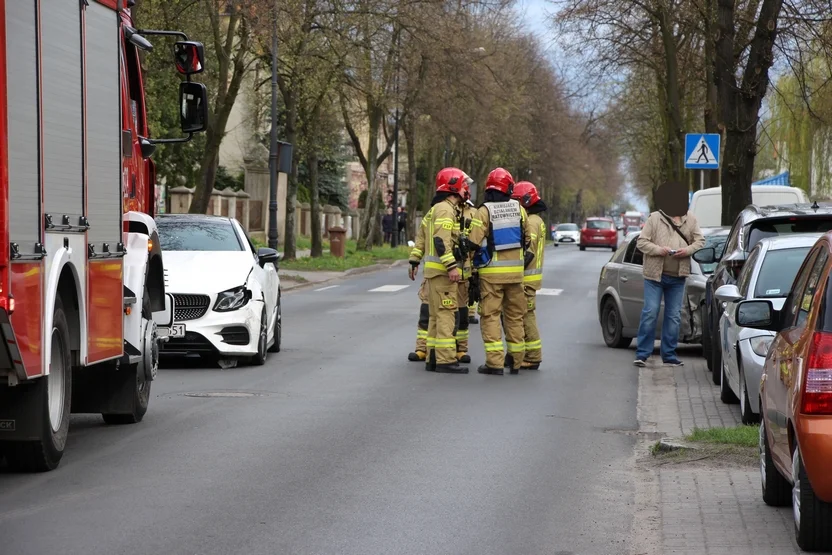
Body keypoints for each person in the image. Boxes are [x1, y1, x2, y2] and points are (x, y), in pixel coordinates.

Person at [634, 181, 705, 367]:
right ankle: (642, 353)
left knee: (673, 316)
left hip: (677, 276)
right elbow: (641, 242)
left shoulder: (690, 219)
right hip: (654, 276)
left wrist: (687, 251)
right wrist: (659, 250)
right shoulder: (655, 218)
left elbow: (700, 241)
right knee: (650, 312)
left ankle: (669, 355)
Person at [466, 168, 529, 375]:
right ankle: (516, 361)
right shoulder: (519, 209)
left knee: (491, 316)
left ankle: (494, 363)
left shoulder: (484, 211)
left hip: (491, 274)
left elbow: (473, 242)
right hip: (516, 275)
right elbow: (528, 239)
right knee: (514, 316)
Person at [408, 167, 468, 373]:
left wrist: (415, 261)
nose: (466, 188)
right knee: (446, 314)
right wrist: (452, 266)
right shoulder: (445, 209)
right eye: (463, 184)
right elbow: (440, 241)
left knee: (434, 315)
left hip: (433, 273)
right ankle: (445, 360)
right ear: (453, 186)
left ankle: (432, 357)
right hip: (443, 273)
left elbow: (422, 238)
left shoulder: (435, 209)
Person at [512, 181, 546, 370]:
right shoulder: (536, 220)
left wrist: (515, 270)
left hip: (526, 280)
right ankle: (528, 354)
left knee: (525, 317)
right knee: (525, 315)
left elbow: (529, 252)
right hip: (530, 280)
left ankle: (532, 357)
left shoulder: (531, 222)